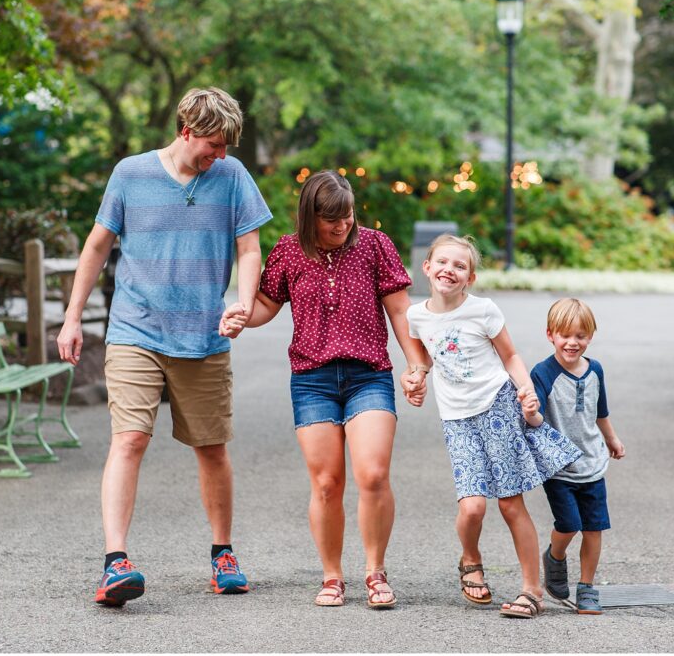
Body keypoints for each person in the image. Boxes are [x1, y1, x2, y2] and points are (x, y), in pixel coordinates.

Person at [56, 87, 272, 606]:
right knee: (129, 439)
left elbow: (249, 247)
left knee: (212, 448)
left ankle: (223, 553)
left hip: (204, 334)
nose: (220, 156)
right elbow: (97, 246)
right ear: (186, 131)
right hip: (136, 328)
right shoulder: (130, 174)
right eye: (214, 145)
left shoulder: (233, 177)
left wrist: (242, 303)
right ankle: (115, 563)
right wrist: (70, 319)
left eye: (226, 148)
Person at [219, 170, 427, 609]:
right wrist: (240, 316)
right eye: (332, 219)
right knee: (328, 483)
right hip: (312, 379)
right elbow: (265, 307)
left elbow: (400, 311)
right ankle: (332, 575)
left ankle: (375, 571)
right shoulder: (289, 252)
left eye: (347, 216)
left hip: (368, 374)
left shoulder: (374, 245)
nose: (342, 226)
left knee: (372, 473)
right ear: (309, 217)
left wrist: (416, 363)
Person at [403, 235, 582, 619]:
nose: (450, 270)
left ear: (470, 277)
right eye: (443, 263)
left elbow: (510, 354)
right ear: (427, 267)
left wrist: (526, 390)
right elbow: (422, 358)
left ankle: (531, 590)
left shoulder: (483, 310)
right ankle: (470, 558)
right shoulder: (416, 316)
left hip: (497, 407)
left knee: (509, 503)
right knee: (471, 508)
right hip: (456, 418)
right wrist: (414, 378)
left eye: (460, 266)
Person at [525, 297, 626, 615]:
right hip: (560, 467)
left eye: (580, 336)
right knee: (568, 525)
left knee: (594, 528)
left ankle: (587, 588)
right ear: (550, 334)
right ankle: (555, 556)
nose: (572, 343)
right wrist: (530, 414)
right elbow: (535, 417)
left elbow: (601, 409)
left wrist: (611, 437)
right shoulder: (543, 372)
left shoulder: (595, 369)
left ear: (590, 336)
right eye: (565, 335)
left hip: (593, 464)